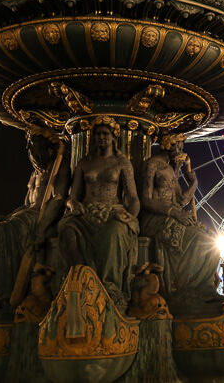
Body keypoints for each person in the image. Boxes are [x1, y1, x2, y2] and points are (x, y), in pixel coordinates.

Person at [0, 131, 69, 303]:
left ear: (46, 145)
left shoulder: (59, 165)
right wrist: (6, 219)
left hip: (38, 217)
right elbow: (26, 203)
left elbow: (58, 198)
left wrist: (42, 227)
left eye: (34, 143)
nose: (30, 148)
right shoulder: (35, 173)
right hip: (24, 215)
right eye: (29, 144)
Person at [58, 116, 140, 310]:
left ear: (114, 138)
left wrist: (132, 215)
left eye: (105, 134)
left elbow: (134, 197)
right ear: (93, 137)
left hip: (113, 212)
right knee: (66, 229)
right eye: (98, 134)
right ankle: (78, 280)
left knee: (115, 233)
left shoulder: (122, 163)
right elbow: (72, 196)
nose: (101, 138)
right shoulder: (84, 164)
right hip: (86, 213)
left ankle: (108, 287)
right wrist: (71, 204)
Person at [140, 133, 223, 313]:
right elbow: (146, 200)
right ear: (166, 144)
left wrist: (193, 184)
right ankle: (186, 288)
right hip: (155, 218)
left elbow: (180, 201)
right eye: (177, 146)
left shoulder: (170, 171)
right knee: (199, 239)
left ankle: (203, 287)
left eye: (181, 146)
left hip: (172, 216)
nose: (180, 151)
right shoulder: (152, 165)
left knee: (210, 240)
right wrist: (174, 212)